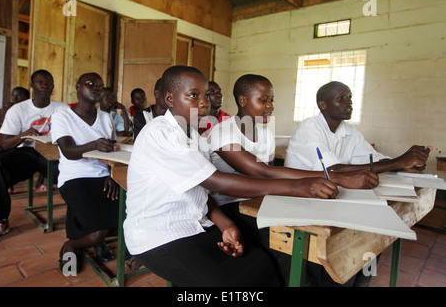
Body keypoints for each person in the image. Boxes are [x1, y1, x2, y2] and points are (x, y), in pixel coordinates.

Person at [124, 65, 339, 287]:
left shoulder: (194, 136)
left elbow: (200, 193)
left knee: (259, 263)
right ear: (169, 98)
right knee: (230, 281)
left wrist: (226, 224)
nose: (204, 102)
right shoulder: (160, 133)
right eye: (193, 95)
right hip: (158, 234)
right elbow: (215, 181)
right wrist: (298, 188)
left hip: (196, 225)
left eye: (206, 95)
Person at [206, 74, 379, 286]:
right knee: (292, 251)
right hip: (233, 207)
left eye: (272, 100)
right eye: (263, 100)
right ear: (243, 101)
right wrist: (335, 177)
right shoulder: (222, 133)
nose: (270, 106)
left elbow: (271, 175)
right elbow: (262, 172)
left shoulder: (264, 132)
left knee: (323, 240)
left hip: (263, 201)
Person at [51, 73, 120, 274]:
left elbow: (112, 152)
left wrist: (113, 175)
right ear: (78, 87)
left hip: (103, 177)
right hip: (75, 178)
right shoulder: (63, 116)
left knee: (124, 223)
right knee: (98, 234)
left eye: (100, 85)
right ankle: (73, 245)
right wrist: (94, 144)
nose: (96, 87)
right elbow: (68, 152)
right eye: (90, 83)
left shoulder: (106, 118)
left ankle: (92, 235)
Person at [284, 81, 430, 173]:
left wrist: (406, 164)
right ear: (323, 105)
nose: (349, 102)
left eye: (350, 97)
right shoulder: (309, 127)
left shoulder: (349, 131)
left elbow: (372, 160)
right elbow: (331, 169)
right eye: (341, 98)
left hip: (325, 193)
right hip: (299, 196)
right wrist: (398, 162)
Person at [0, 70, 69, 239]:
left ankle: (81, 220)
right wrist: (23, 134)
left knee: (76, 174)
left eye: (48, 82)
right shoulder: (18, 109)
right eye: (40, 82)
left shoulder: (62, 108)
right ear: (32, 85)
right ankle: (0, 219)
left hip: (53, 153)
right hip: (27, 153)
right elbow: (6, 144)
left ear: (53, 86)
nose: (45, 85)